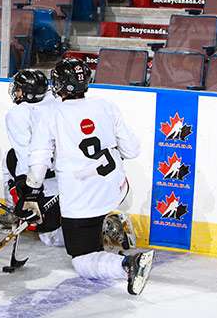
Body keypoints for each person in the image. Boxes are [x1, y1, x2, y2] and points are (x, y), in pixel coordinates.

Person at [20, 58, 154, 295]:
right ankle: (109, 222)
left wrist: (31, 192)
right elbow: (132, 150)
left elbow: (39, 159)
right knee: (91, 219)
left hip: (82, 198)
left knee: (81, 259)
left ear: (60, 85)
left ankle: (127, 264)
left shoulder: (52, 114)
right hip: (116, 188)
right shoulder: (106, 105)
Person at [2, 69, 64, 247]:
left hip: (42, 179)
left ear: (26, 92)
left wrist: (27, 190)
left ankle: (14, 211)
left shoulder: (17, 114)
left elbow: (25, 154)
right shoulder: (56, 101)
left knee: (50, 238)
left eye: (19, 88)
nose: (16, 91)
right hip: (67, 177)